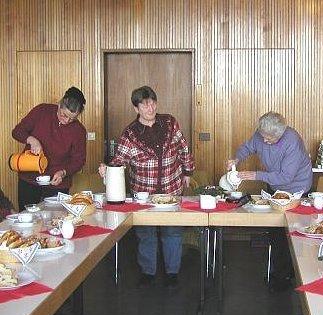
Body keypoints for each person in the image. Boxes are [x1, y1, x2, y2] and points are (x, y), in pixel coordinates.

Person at [99, 86, 194, 287]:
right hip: (143, 192)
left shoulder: (169, 122)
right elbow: (120, 160)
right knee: (146, 232)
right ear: (136, 108)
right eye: (144, 104)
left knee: (172, 232)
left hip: (172, 187)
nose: (149, 107)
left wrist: (188, 171)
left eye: (152, 102)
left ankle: (172, 273)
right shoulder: (130, 133)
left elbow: (183, 147)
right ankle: (148, 272)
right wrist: (107, 168)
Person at [227, 112, 313, 291]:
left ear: (280, 134)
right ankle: (280, 274)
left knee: (294, 234)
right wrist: (237, 158)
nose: (265, 142)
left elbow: (286, 177)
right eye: (263, 137)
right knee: (276, 233)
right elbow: (248, 147)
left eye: (269, 139)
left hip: (297, 190)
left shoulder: (292, 141)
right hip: (275, 188)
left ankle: (292, 277)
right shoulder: (262, 134)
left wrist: (255, 175)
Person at [12, 87, 87, 210]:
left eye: (72, 118)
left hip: (58, 184)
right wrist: (32, 140)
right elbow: (17, 131)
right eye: (64, 115)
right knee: (27, 221)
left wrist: (63, 172)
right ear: (59, 105)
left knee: (54, 223)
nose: (66, 120)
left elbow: (79, 161)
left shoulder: (79, 131)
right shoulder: (42, 111)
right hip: (29, 180)